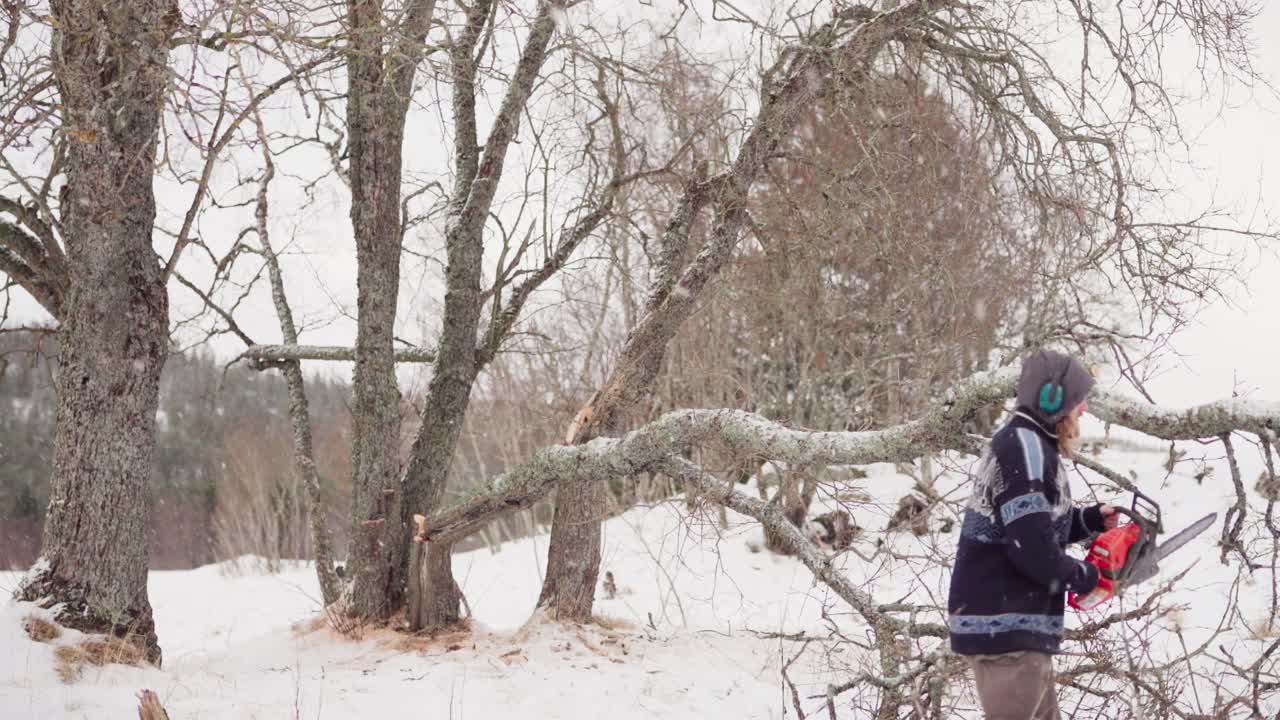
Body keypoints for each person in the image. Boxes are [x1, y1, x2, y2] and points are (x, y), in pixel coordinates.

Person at [947, 349, 1120, 719]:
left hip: (1014, 629)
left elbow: (1030, 525)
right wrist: (1085, 576)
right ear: (1052, 400)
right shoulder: (1024, 449)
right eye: (1077, 401)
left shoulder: (1030, 445)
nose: (1083, 411)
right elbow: (1031, 547)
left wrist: (1088, 520)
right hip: (1007, 628)